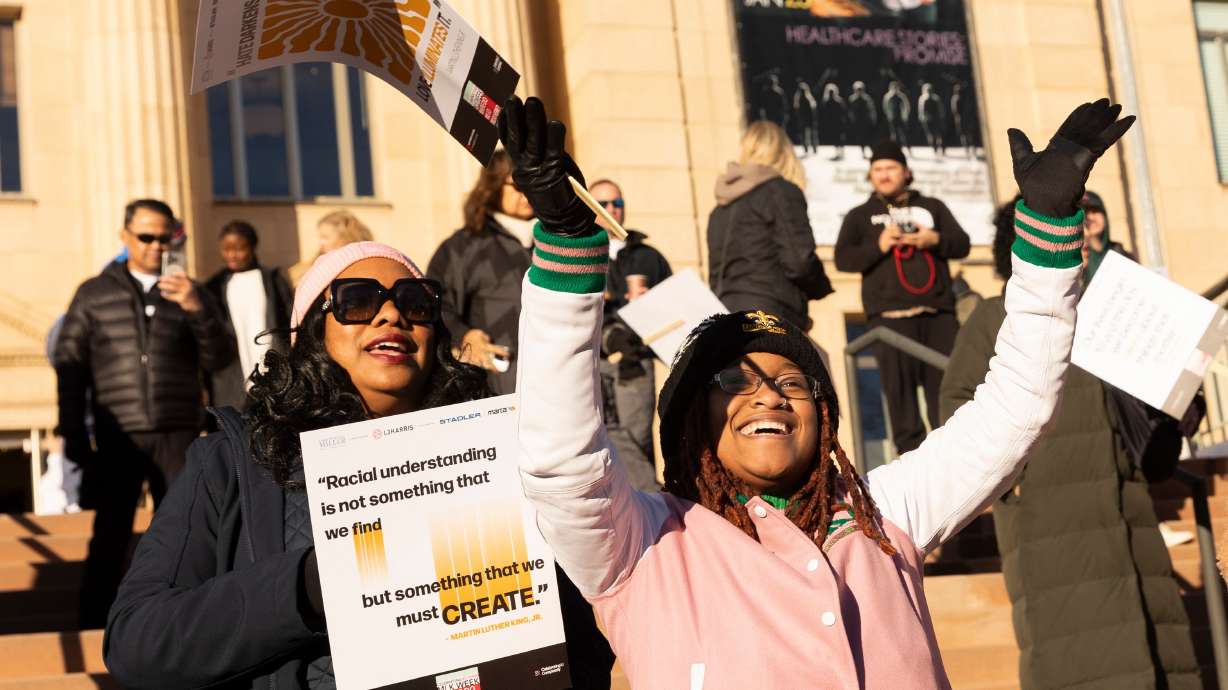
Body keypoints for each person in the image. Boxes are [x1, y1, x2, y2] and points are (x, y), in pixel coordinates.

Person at [502, 95, 1133, 688]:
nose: (769, 396)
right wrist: (565, 243)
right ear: (692, 420)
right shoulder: (641, 544)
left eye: (792, 381)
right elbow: (563, 465)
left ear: (824, 416)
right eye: (734, 381)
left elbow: (1016, 407)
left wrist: (1048, 231)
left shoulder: (885, 516)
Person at [104, 242, 615, 689]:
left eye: (417, 304)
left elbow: (583, 639)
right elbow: (137, 641)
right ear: (310, 334)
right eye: (358, 300)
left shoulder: (502, 460)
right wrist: (306, 587)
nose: (391, 316)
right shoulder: (230, 461)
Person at [939, 198, 1202, 690]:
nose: (1074, 246)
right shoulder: (995, 319)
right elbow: (957, 408)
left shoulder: (1108, 315)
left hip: (1130, 519)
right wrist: (1008, 478)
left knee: (1162, 660)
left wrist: (1180, 404)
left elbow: (1148, 439)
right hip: (1048, 525)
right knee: (1080, 663)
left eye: (1074, 236)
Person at [53, 198, 235, 627]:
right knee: (111, 535)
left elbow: (221, 356)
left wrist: (197, 308)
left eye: (165, 237)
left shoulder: (190, 291)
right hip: (121, 434)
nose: (156, 246)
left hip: (179, 431)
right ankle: (93, 624)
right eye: (146, 237)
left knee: (188, 532)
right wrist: (73, 431)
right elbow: (69, 365)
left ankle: (189, 622)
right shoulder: (94, 292)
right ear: (125, 236)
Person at [834, 140, 970, 453]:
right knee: (903, 411)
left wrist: (935, 239)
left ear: (905, 172)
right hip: (890, 324)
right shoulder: (859, 216)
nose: (883, 175)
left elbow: (962, 243)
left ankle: (957, 472)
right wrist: (879, 246)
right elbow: (843, 260)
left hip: (937, 318)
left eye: (890, 168)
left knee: (949, 405)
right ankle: (916, 485)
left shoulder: (933, 206)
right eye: (877, 169)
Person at [427, 149, 535, 395]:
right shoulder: (463, 246)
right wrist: (463, 337)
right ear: (494, 186)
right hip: (497, 387)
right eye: (519, 185)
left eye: (534, 184)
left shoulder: (556, 241)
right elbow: (434, 303)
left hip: (560, 388)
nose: (528, 193)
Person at [707, 121, 834, 330]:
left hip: (726, 321)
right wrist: (820, 287)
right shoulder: (781, 192)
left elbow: (716, 275)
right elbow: (799, 261)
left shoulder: (719, 209)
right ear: (784, 154)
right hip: (770, 315)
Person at [589, 178, 672, 492]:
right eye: (603, 204)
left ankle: (647, 505)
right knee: (604, 437)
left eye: (617, 204)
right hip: (593, 361)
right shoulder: (583, 252)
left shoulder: (647, 256)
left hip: (635, 360)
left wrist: (648, 305)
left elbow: (673, 303)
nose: (612, 210)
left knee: (635, 438)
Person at [205, 220, 294, 410]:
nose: (232, 255)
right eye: (226, 249)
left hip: (275, 376)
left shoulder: (274, 281)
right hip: (231, 383)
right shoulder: (214, 286)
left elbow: (289, 322)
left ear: (253, 247)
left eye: (239, 248)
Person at [288, 209, 375, 287]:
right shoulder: (316, 263)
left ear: (345, 237)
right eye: (320, 237)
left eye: (325, 237)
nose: (321, 243)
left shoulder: (363, 262)